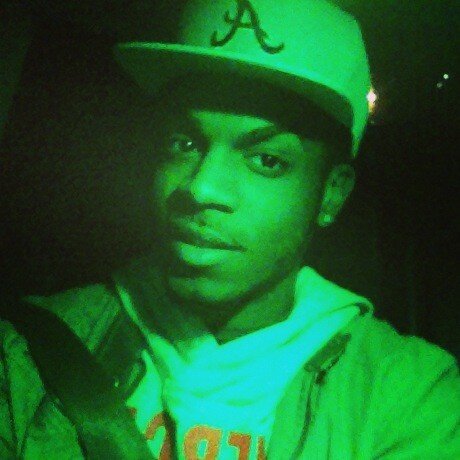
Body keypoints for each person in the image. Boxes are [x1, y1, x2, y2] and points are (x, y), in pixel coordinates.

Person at [1, 0, 459, 458]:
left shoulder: (407, 392)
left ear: (331, 194)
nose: (200, 187)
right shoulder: (29, 353)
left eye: (267, 160)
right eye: (183, 143)